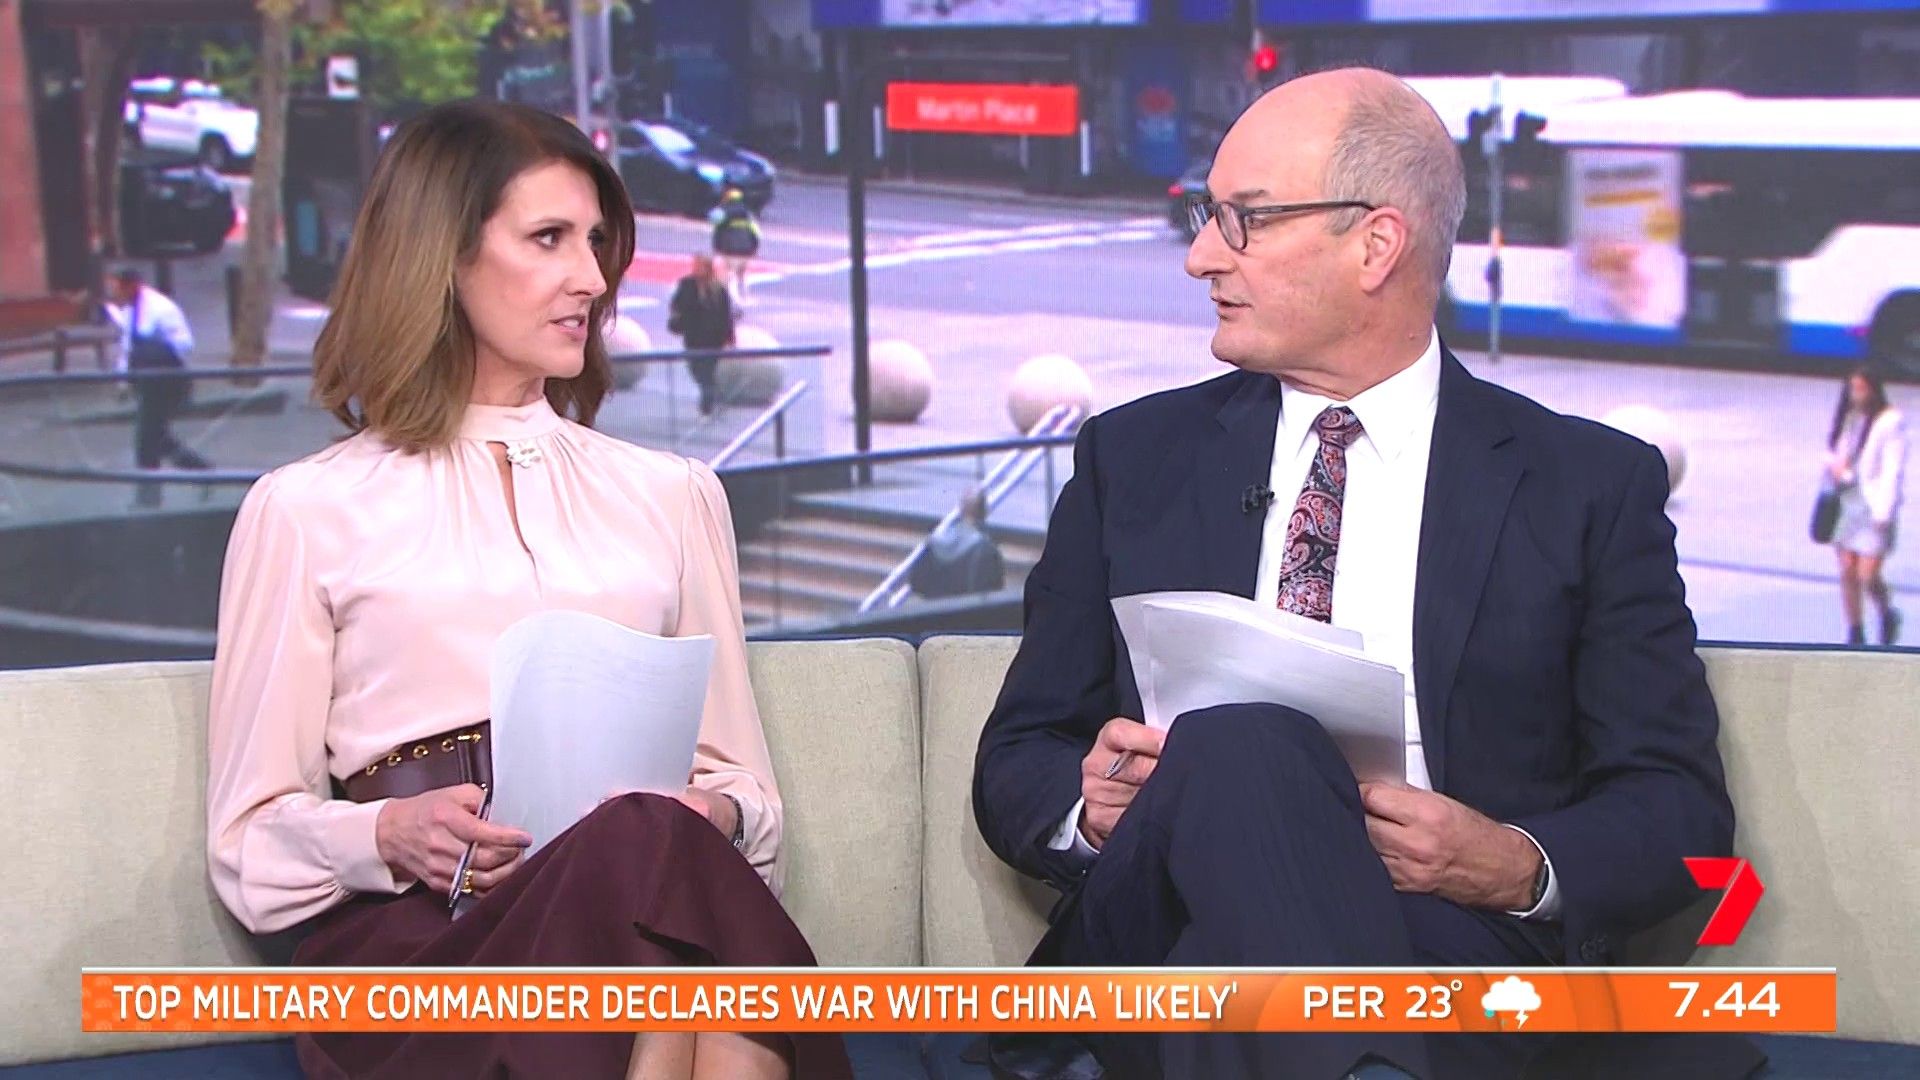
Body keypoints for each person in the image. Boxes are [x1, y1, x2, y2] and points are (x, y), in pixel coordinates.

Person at [972, 69, 1758, 1080]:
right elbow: (1020, 754)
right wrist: (1089, 809)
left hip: (1444, 941)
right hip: (1156, 914)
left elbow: (1680, 812)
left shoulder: (1586, 487)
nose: (1202, 255)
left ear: (1377, 244)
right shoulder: (1134, 459)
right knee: (1246, 742)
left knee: (1233, 975)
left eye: (1245, 219)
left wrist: (1511, 861)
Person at [204, 100, 849, 1080]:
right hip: (418, 946)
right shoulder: (304, 510)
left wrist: (712, 816)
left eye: (594, 242)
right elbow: (249, 844)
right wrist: (387, 833)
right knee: (661, 902)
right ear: (442, 258)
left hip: (641, 897)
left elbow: (746, 798)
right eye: (549, 238)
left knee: (644, 851)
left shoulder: (673, 496)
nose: (591, 278)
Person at [104, 266, 210, 506]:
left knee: (146, 439)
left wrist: (156, 348)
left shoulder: (161, 309)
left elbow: (185, 343)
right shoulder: (129, 311)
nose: (114, 294)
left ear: (131, 286)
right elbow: (127, 349)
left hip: (166, 381)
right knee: (156, 438)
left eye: (117, 288)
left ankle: (150, 497)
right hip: (145, 383)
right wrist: (122, 382)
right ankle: (202, 472)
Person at [1823, 368, 1906, 645]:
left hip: (1874, 505)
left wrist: (1885, 512)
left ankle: (1886, 613)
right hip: (1848, 502)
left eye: (1861, 388)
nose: (1856, 395)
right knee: (1847, 569)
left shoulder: (1891, 421)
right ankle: (1855, 631)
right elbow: (1835, 451)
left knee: (1868, 574)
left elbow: (1893, 470)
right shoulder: (1849, 418)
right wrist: (1836, 467)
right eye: (1853, 388)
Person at [668, 253, 736, 416]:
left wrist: (729, 337)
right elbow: (676, 304)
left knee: (707, 372)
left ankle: (707, 405)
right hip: (693, 337)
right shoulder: (687, 285)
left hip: (713, 340)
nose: (696, 269)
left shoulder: (719, 289)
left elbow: (726, 315)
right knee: (696, 370)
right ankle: (713, 393)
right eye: (695, 265)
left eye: (699, 266)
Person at [909, 488, 1006, 599]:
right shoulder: (985, 548)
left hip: (934, 606)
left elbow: (916, 582)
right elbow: (993, 589)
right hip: (965, 608)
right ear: (984, 512)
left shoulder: (936, 540)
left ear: (961, 509)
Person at [709, 188, 761, 305]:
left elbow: (713, 223)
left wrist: (717, 248)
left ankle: (732, 300)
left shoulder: (722, 213)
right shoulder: (748, 214)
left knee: (729, 275)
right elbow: (756, 233)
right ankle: (745, 296)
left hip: (729, 250)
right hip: (746, 250)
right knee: (742, 275)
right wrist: (754, 248)